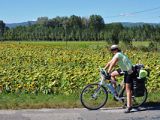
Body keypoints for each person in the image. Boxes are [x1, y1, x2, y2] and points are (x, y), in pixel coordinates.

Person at [104, 45, 136, 113]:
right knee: (112, 75)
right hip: (124, 70)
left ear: (116, 49)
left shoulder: (118, 54)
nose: (112, 51)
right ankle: (116, 91)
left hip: (129, 71)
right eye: (111, 50)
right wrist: (104, 69)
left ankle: (129, 106)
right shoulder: (116, 55)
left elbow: (113, 64)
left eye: (113, 50)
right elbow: (109, 62)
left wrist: (108, 72)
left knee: (128, 89)